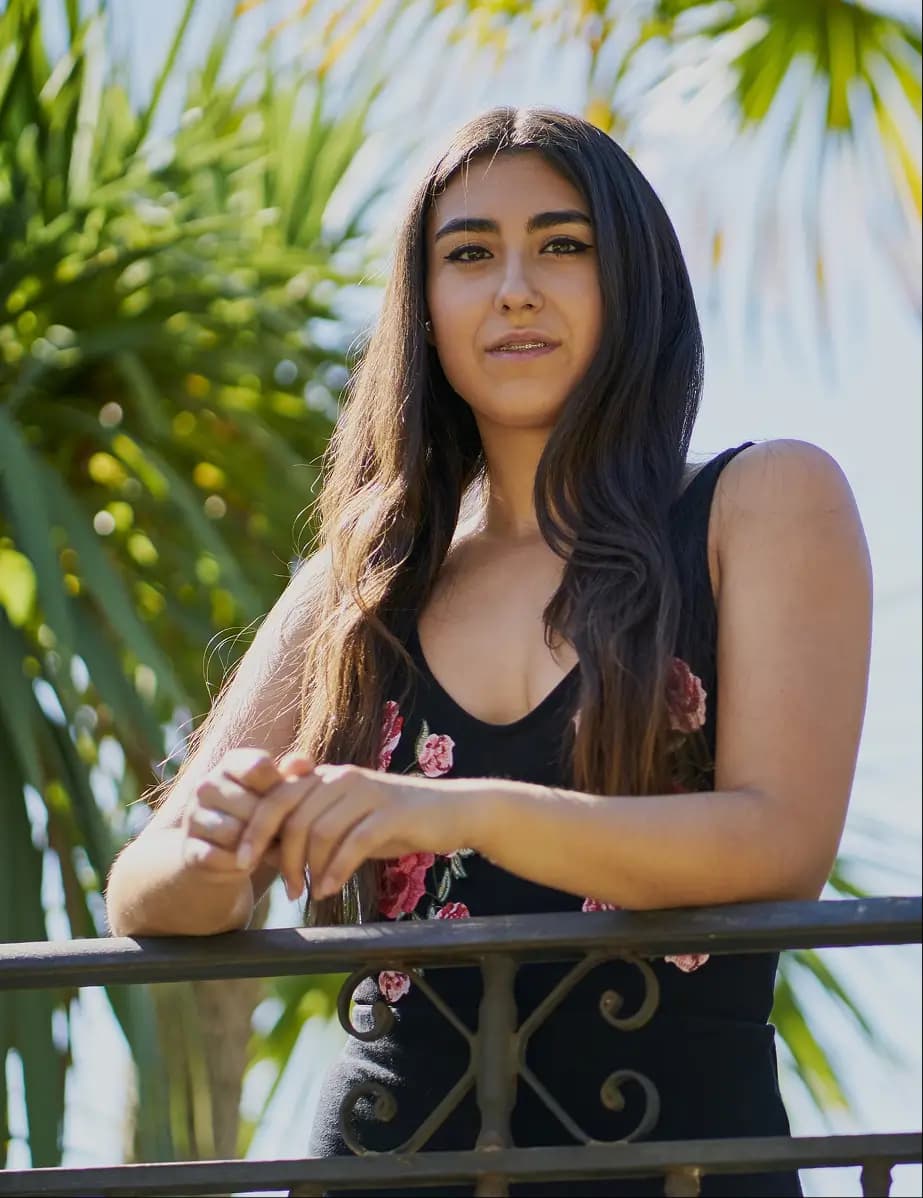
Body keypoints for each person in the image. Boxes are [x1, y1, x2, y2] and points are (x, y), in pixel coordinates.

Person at [105, 107, 873, 1197]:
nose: (514, 287)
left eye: (562, 245)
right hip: (388, 1160)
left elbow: (781, 842)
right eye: (467, 254)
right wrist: (220, 844)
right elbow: (142, 890)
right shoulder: (359, 585)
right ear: (423, 308)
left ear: (633, 283)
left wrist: (451, 809)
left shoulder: (760, 503)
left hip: (681, 1158)